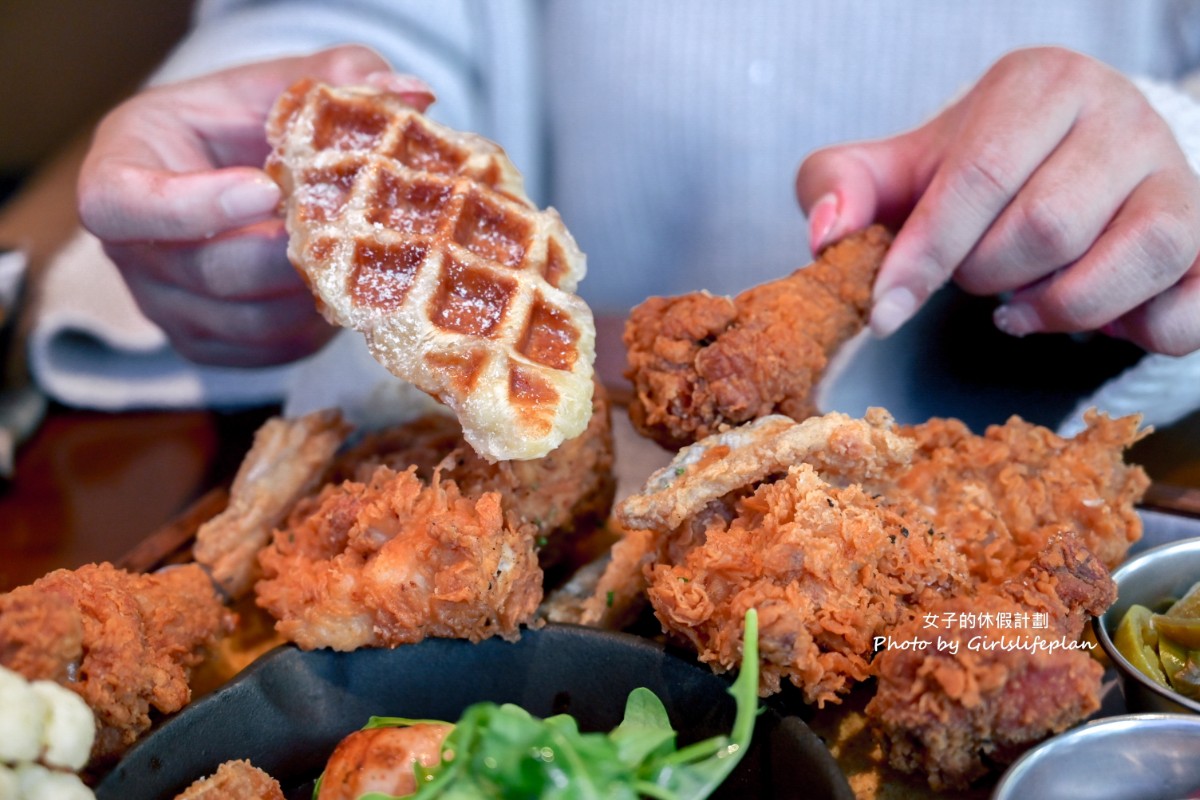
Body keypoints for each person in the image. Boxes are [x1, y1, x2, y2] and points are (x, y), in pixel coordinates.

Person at [66, 1, 1200, 430]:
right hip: (588, 445)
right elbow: (361, 19)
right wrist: (268, 114)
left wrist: (1170, 150)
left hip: (1112, 429)